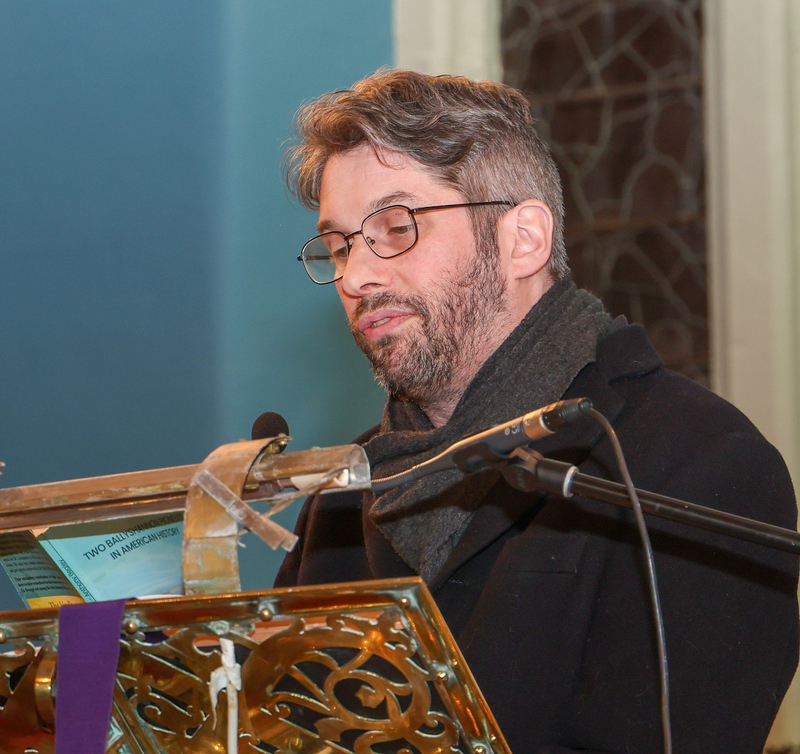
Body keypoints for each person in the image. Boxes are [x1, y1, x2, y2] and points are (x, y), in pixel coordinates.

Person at [275, 69, 798, 753]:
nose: (356, 276)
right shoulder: (344, 496)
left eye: (396, 228)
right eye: (340, 246)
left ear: (523, 239)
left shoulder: (698, 464)